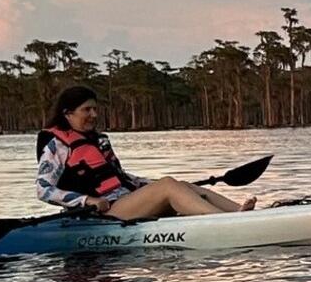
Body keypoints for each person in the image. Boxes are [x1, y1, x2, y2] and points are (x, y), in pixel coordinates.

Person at [36, 86, 255, 218]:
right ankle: (224, 221)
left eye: (95, 109)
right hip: (100, 214)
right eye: (87, 110)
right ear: (68, 114)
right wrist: (87, 201)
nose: (94, 114)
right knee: (169, 185)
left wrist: (151, 185)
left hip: (123, 202)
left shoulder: (98, 141)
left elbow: (120, 178)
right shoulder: (57, 146)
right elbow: (44, 190)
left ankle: (241, 213)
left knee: (180, 185)